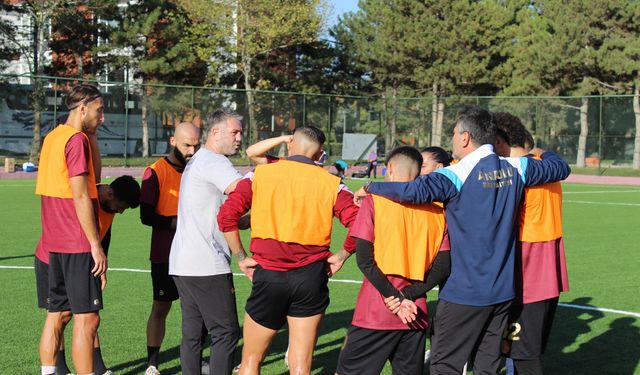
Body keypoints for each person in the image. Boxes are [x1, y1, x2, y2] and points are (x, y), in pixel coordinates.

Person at [353, 106, 571, 375]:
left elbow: (411, 190)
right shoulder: (517, 167)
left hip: (464, 293)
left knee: (445, 366)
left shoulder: (455, 174)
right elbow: (560, 167)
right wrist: (544, 153)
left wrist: (371, 186)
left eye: (454, 133)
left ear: (465, 137)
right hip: (502, 292)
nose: (452, 139)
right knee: (486, 367)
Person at [218, 125, 359, 375]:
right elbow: (363, 224)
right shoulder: (332, 183)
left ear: (290, 144)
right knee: (301, 365)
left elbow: (227, 216)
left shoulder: (261, 174)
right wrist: (342, 255)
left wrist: (241, 257)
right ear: (320, 154)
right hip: (310, 278)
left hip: (268, 274)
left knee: (251, 359)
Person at [336, 146, 449, 375]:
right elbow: (443, 267)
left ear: (389, 168)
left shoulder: (375, 202)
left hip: (376, 310)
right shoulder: (438, 211)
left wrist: (395, 298)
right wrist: (408, 296)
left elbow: (365, 260)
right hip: (415, 312)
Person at [35, 175, 140, 375]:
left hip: (79, 257)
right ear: (110, 193)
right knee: (72, 316)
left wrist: (102, 264)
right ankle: (61, 369)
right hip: (53, 257)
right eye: (121, 206)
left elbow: (104, 235)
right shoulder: (86, 197)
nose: (120, 211)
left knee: (84, 315)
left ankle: (95, 368)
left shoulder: (108, 204)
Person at [35, 84, 107, 375]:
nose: (102, 117)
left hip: (52, 241)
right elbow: (80, 194)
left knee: (56, 315)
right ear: (83, 109)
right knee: (87, 319)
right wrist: (95, 243)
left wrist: (93, 135)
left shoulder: (53, 137)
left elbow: (95, 178)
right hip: (76, 241)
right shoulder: (76, 140)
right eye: (99, 111)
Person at [493, 112, 569, 375]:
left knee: (522, 352)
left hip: (525, 269)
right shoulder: (545, 163)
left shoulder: (518, 172)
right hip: (548, 269)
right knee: (527, 348)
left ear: (500, 141)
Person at [169, 109, 244, 375]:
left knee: (193, 333)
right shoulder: (215, 162)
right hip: (206, 263)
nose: (239, 138)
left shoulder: (200, 159)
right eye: (234, 132)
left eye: (240, 133)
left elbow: (220, 214)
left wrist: (251, 220)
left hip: (183, 262)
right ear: (215, 132)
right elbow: (243, 191)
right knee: (225, 331)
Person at [139, 122, 201, 375]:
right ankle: (153, 362)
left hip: (198, 253)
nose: (192, 151)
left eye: (196, 145)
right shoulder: (155, 171)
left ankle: (196, 361)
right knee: (161, 307)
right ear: (172, 140)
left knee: (198, 311)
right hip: (165, 253)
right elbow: (146, 216)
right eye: (187, 145)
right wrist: (179, 221)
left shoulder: (200, 169)